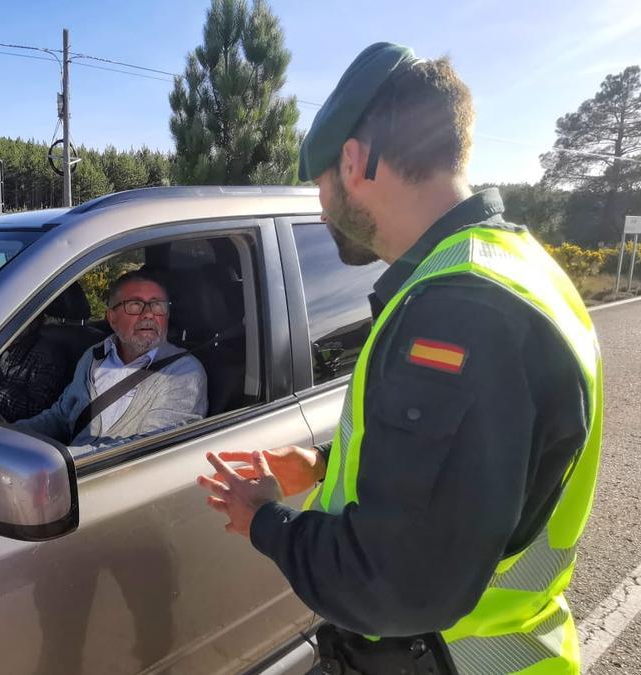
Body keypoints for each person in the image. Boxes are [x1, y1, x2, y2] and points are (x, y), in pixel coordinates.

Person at [197, 42, 602, 675]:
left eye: (322, 186)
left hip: (450, 660)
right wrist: (320, 464)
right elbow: (470, 464)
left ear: (354, 161)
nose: (324, 209)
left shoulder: (458, 311)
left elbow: (391, 585)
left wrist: (262, 522)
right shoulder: (513, 265)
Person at [17, 270, 207, 454]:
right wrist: (8, 434)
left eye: (157, 305)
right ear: (112, 318)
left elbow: (147, 450)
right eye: (135, 305)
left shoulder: (183, 372)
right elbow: (61, 417)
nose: (149, 314)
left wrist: (59, 462)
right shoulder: (94, 355)